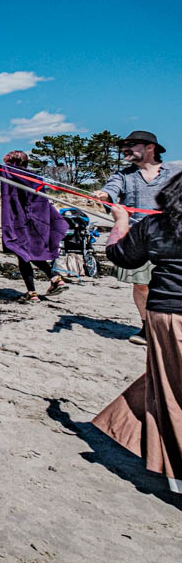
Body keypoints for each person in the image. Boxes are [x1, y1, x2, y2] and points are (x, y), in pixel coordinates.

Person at [93, 171, 182, 494]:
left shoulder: (155, 225)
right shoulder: (154, 224)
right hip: (169, 311)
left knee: (172, 387)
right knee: (168, 384)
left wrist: (120, 222)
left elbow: (120, 255)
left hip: (170, 315)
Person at [94, 130, 175, 344]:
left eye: (132, 145)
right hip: (137, 238)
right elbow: (110, 190)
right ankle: (148, 328)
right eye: (124, 145)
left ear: (150, 148)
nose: (125, 149)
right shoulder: (123, 175)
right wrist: (104, 195)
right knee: (141, 285)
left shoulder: (174, 172)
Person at [0, 136, 69, 303]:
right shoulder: (34, 176)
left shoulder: (10, 172)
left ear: (10, 161)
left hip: (21, 221)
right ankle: (47, 283)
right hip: (40, 219)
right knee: (29, 253)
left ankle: (40, 287)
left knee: (23, 254)